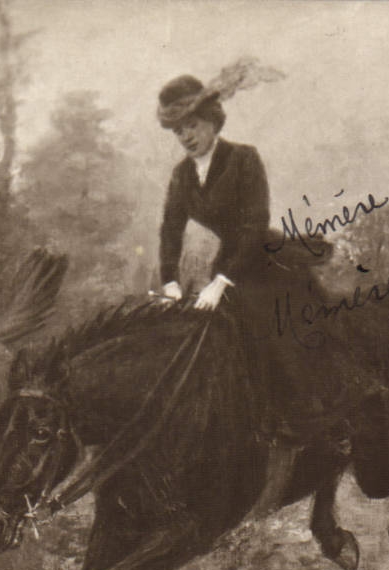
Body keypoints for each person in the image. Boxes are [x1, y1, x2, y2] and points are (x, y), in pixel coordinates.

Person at [155, 62, 332, 441]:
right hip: (227, 265)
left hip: (264, 262)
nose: (187, 136)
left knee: (269, 328)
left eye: (193, 125)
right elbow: (170, 231)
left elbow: (253, 226)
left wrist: (220, 282)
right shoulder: (181, 176)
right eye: (179, 130)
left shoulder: (243, 159)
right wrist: (169, 282)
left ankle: (305, 418)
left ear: (213, 121)